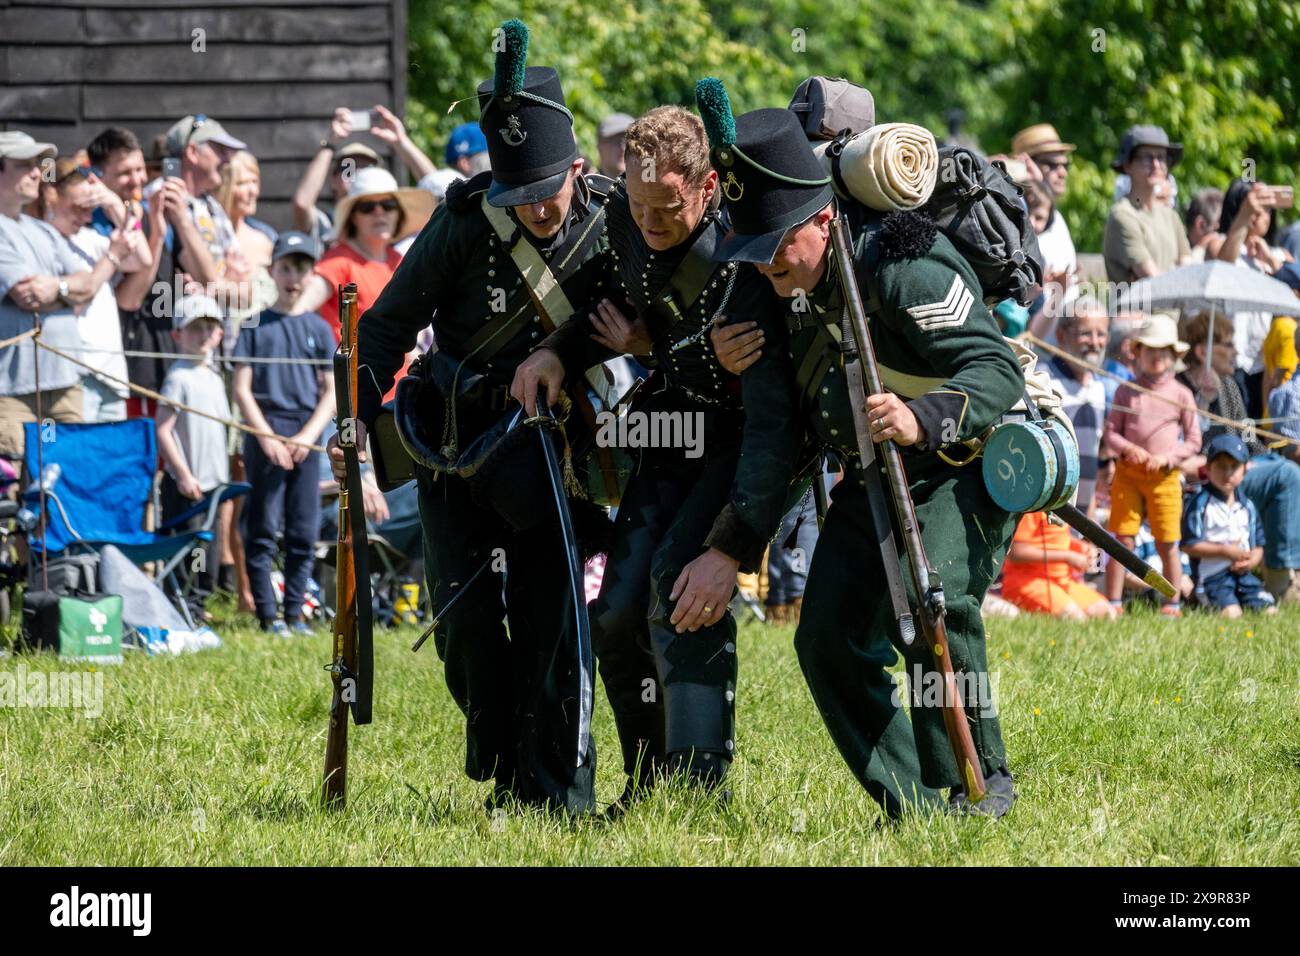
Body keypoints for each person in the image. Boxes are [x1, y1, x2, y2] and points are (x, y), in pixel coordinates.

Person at [690, 80, 1024, 820]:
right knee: (826, 635)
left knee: (935, 595)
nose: (768, 269)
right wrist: (733, 544)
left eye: (778, 250)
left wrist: (920, 416)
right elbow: (774, 432)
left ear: (822, 216)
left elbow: (994, 371)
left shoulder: (908, 264)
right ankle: (913, 805)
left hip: (959, 456)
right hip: (875, 468)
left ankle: (981, 780)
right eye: (755, 254)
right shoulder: (767, 289)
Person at [329, 19, 615, 816]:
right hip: (456, 447)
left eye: (547, 192)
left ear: (578, 169)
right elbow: (382, 332)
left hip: (553, 454)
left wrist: (563, 350)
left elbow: (643, 308)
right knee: (461, 632)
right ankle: (500, 752)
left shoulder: (610, 221)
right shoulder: (461, 224)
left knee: (553, 626)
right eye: (517, 196)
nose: (535, 210)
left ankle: (557, 793)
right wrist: (353, 416)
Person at [511, 104, 784, 808]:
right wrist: (553, 353)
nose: (649, 222)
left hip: (737, 442)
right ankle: (649, 784)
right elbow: (605, 305)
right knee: (614, 615)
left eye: (665, 207)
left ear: (706, 189)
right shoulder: (624, 222)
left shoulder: (748, 252)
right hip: (667, 437)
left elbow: (770, 404)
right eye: (635, 202)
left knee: (679, 593)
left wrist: (659, 347)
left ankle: (697, 796)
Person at [233, 232, 335, 635]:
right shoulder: (254, 323)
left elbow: (330, 392)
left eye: (302, 268)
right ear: (272, 271)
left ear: (311, 274)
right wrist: (267, 438)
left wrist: (308, 436)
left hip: (305, 434)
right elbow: (241, 389)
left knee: (303, 529)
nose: (294, 277)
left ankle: (295, 613)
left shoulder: (318, 327)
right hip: (266, 432)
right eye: (286, 267)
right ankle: (267, 616)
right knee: (261, 528)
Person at [0, 132, 114, 462]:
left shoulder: (43, 231)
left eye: (38, 165)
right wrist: (68, 292)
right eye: (24, 165)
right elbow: (28, 296)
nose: (38, 173)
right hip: (12, 395)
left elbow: (88, 286)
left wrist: (59, 289)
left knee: (61, 474)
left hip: (62, 390)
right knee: (18, 486)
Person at [292, 166, 433, 399]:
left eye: (388, 205)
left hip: (401, 394)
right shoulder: (338, 262)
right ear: (353, 217)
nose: (380, 213)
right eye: (368, 207)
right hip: (351, 396)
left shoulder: (400, 261)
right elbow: (298, 314)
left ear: (398, 213)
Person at [1102, 312, 1201, 615]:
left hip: (1165, 475)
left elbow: (1194, 441)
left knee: (1167, 540)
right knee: (1123, 537)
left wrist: (1168, 458)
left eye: (1163, 351)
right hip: (1129, 474)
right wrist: (1129, 448)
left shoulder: (1182, 394)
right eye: (1150, 350)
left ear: (1173, 356)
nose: (1157, 357)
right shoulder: (1126, 390)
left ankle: (1172, 602)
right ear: (1138, 353)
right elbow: (1110, 434)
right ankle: (1114, 602)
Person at [39, 158, 150, 423]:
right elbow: (77, 298)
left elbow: (142, 259)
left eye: (92, 209)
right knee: (75, 456)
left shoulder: (88, 239)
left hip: (111, 373)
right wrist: (112, 256)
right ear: (52, 198)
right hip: (76, 375)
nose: (88, 217)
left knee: (109, 460)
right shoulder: (41, 240)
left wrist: (114, 205)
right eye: (79, 208)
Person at [156, 294, 231, 620]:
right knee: (189, 547)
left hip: (213, 482)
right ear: (177, 335)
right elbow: (163, 430)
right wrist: (183, 473)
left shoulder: (214, 377)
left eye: (210, 328)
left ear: (219, 333)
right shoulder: (178, 377)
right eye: (194, 328)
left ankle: (198, 605)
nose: (203, 335)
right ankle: (182, 607)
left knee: (207, 548)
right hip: (188, 484)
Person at [1208, 179, 1297, 418]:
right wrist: (1244, 215)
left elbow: (1296, 294)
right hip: (1232, 363)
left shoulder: (1279, 255)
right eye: (1255, 208)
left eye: (1267, 209)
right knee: (1233, 438)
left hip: (1270, 365)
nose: (1261, 216)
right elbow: (1222, 266)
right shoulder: (1218, 244)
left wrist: (1272, 263)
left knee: (1264, 439)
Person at [1182, 433, 1277, 617]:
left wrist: (1253, 561)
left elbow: (1258, 544)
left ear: (1244, 471)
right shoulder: (1200, 503)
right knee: (1232, 614)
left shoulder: (1247, 506)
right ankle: (1198, 599)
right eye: (1221, 466)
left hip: (1244, 576)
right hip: (1212, 578)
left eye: (1234, 467)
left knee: (1270, 612)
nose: (1227, 473)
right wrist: (1225, 551)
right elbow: (1189, 545)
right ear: (1208, 469)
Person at [1043, 297, 1109, 514]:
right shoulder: (1043, 380)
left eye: (1101, 334)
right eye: (1085, 333)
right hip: (1049, 511)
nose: (1094, 342)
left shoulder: (1099, 388)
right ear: (1061, 336)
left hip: (1081, 514)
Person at [1102, 125, 1191, 282]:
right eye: (1146, 157)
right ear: (1127, 165)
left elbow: (1188, 269)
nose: (1156, 164)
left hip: (1175, 306)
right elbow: (1152, 279)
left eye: (1161, 157)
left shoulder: (1171, 216)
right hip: (1137, 307)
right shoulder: (1122, 215)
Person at [1001, 511, 1113, 619]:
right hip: (1027, 582)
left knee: (1108, 614)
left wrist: (1081, 547)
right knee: (1076, 618)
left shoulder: (1060, 501)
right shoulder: (1032, 504)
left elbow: (1054, 538)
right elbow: (1016, 553)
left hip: (1063, 582)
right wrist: (1067, 557)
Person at [215, 150, 278, 339]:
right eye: (242, 183)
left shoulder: (267, 239)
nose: (253, 191)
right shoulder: (207, 241)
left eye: (255, 182)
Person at [1184, 188, 1224, 262]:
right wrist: (1199, 250)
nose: (1221, 238)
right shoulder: (1175, 249)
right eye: (1217, 230)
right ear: (1200, 224)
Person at [596, 112, 633, 178]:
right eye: (617, 141)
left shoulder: (648, 186)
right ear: (600, 146)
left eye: (630, 142)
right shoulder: (582, 186)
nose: (623, 148)